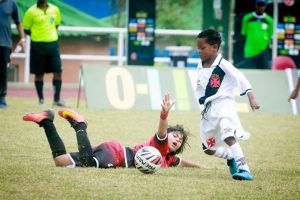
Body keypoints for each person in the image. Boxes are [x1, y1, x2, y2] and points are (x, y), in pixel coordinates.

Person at [22, 93, 203, 169]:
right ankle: (80, 125)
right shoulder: (159, 147)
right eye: (175, 135)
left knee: (60, 161)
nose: (177, 140)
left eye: (179, 142)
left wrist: (203, 166)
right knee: (88, 165)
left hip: (110, 150)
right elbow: (162, 132)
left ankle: (46, 121)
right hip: (116, 155)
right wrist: (164, 114)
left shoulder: (168, 159)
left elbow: (183, 162)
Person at [195, 29, 260, 181]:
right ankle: (230, 156)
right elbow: (201, 89)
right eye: (198, 48)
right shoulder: (200, 65)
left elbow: (241, 78)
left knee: (227, 134)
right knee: (207, 148)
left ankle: (244, 169)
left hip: (224, 106)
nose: (199, 51)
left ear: (214, 47)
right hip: (209, 110)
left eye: (202, 48)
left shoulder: (223, 64)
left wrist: (251, 97)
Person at [23, 0, 65, 106]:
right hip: (38, 46)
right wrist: (39, 35)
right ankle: (41, 100)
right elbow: (26, 29)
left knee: (58, 72)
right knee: (39, 74)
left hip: (53, 45)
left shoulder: (55, 9)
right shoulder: (30, 12)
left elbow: (56, 25)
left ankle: (56, 100)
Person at [0, 0, 25, 108]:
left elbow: (18, 22)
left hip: (5, 44)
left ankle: (2, 98)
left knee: (3, 72)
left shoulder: (11, 3)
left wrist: (22, 39)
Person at [240, 0, 273, 69]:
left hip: (263, 52)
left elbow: (270, 36)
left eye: (262, 5)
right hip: (250, 51)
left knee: (264, 74)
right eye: (259, 5)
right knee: (250, 74)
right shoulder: (247, 18)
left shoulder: (269, 21)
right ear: (255, 6)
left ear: (265, 6)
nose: (260, 7)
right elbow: (244, 35)